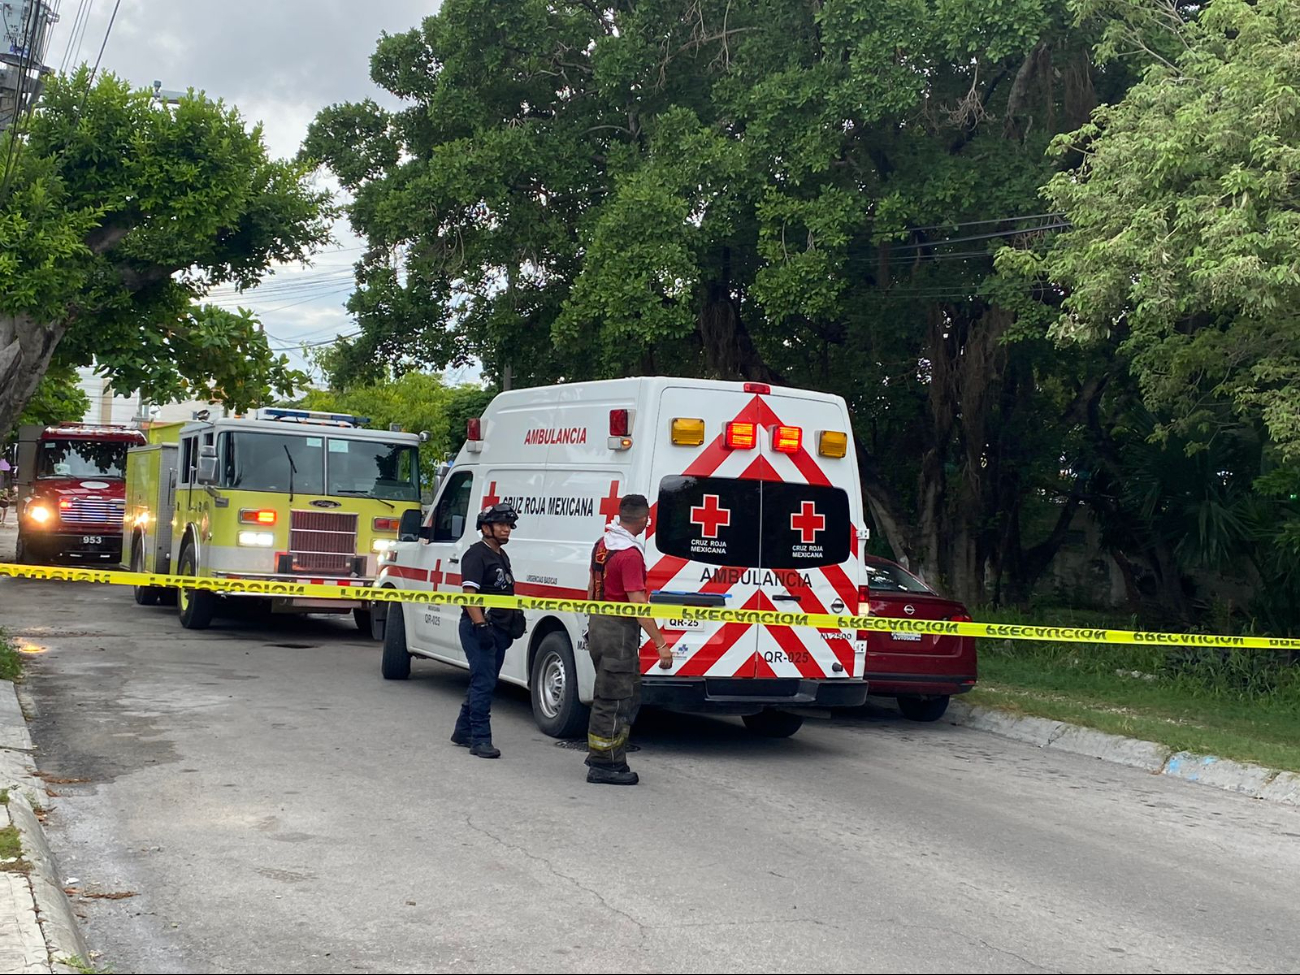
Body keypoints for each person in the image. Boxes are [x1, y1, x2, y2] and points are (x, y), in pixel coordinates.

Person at [584, 493, 672, 786]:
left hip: (599, 626)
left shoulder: (603, 544)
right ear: (645, 520)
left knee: (615, 693)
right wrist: (660, 643)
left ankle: (610, 757)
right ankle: (604, 763)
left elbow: (590, 587)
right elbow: (638, 603)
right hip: (618, 633)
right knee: (615, 699)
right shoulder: (629, 555)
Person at [451, 502, 525, 759]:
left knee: (485, 680)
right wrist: (480, 624)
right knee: (483, 682)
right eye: (502, 524)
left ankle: (463, 730)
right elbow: (469, 595)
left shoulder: (501, 555)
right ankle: (480, 739)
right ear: (485, 528)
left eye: (509, 525)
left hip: (500, 628)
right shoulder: (476, 554)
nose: (507, 529)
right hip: (479, 628)